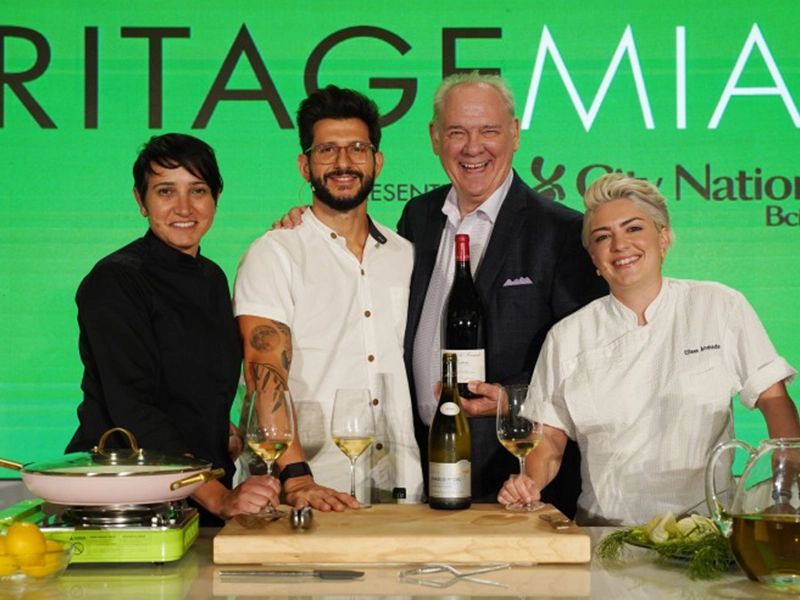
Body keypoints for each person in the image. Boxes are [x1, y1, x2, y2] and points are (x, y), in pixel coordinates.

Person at [498, 173, 800, 525]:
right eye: (602, 237)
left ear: (664, 237)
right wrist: (528, 483)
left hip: (706, 531)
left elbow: (773, 398)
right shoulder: (567, 336)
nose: (619, 244)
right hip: (604, 533)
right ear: (593, 259)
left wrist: (787, 485)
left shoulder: (719, 306)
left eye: (633, 229)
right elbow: (549, 438)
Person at [397, 72, 607, 513]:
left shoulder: (563, 232)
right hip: (417, 472)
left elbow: (589, 362)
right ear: (435, 138)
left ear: (514, 134)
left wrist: (513, 401)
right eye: (457, 132)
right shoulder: (418, 217)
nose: (473, 148)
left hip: (516, 481)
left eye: (488, 131)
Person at [67, 133, 280, 525]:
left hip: (198, 494)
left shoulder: (212, 278)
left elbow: (193, 384)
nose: (184, 207)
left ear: (216, 197)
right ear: (140, 201)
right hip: (126, 504)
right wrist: (218, 499)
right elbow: (133, 408)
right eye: (165, 191)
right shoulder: (115, 281)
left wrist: (221, 429)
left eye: (197, 190)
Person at [233, 85, 424, 508]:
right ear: (305, 165)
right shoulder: (276, 253)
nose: (343, 163)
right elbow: (264, 373)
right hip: (305, 487)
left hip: (400, 483)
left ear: (377, 161)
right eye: (327, 151)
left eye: (357, 148)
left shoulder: (404, 254)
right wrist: (298, 478)